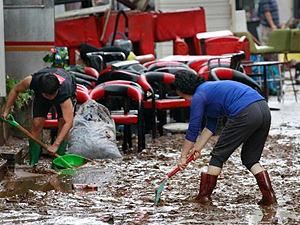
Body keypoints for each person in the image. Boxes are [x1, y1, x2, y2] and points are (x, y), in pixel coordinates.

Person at [173, 70, 277, 206]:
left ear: (181, 91)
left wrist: (183, 156)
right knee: (250, 158)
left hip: (245, 112)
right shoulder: (209, 90)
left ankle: (204, 197)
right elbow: (210, 126)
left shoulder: (199, 95)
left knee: (217, 156)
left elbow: (193, 129)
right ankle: (269, 196)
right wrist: (196, 148)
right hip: (263, 109)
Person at [1, 67, 76, 166]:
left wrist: (55, 144)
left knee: (62, 123)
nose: (51, 98)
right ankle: (33, 162)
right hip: (42, 98)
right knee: (36, 124)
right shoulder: (32, 81)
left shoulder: (64, 90)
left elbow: (68, 122)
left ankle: (58, 163)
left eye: (53, 95)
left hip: (63, 95)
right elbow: (15, 90)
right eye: (49, 95)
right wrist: (6, 110)